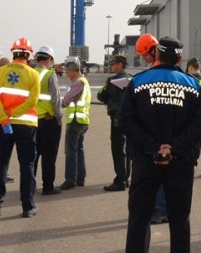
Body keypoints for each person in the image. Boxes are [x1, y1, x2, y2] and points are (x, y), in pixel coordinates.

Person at [117, 36, 201, 253]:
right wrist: (173, 147)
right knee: (180, 220)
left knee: (139, 219)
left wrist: (153, 146)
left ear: (156, 53)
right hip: (181, 163)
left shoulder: (137, 83)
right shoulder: (193, 85)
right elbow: (199, 126)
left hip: (146, 161)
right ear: (180, 58)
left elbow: (126, 121)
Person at [0, 37, 41, 218]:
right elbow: (33, 101)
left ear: (13, 53)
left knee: (1, 164)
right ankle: (28, 207)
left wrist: (4, 117)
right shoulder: (33, 75)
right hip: (26, 126)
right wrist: (16, 113)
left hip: (3, 126)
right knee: (27, 166)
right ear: (28, 55)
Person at [32, 46, 63, 195]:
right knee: (49, 155)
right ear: (49, 59)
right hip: (48, 120)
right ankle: (48, 186)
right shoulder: (50, 74)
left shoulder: (29, 73)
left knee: (33, 155)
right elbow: (56, 99)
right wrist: (59, 118)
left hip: (31, 120)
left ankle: (30, 185)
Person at [98, 55, 130, 191]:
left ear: (119, 65)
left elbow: (100, 95)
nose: (111, 67)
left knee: (117, 149)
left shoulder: (112, 81)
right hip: (129, 118)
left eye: (113, 64)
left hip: (117, 118)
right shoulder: (130, 79)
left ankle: (120, 180)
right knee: (127, 149)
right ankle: (126, 177)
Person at [60, 60, 91, 190]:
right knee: (79, 149)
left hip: (75, 121)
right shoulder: (85, 82)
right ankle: (80, 178)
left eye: (67, 72)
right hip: (82, 121)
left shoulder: (78, 83)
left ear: (73, 71)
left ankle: (70, 179)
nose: (67, 75)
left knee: (71, 150)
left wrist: (60, 103)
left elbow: (67, 99)